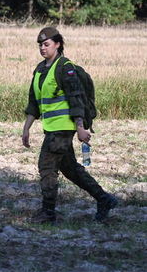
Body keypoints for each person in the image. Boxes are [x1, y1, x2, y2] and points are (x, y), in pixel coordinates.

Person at [21, 27, 118, 223]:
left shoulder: (66, 68)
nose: (42, 48)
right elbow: (34, 102)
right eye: (40, 45)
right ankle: (104, 199)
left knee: (46, 167)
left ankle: (48, 213)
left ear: (57, 44)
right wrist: (27, 128)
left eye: (46, 44)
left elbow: (76, 101)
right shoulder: (40, 69)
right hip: (51, 127)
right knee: (70, 169)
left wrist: (80, 127)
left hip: (63, 128)